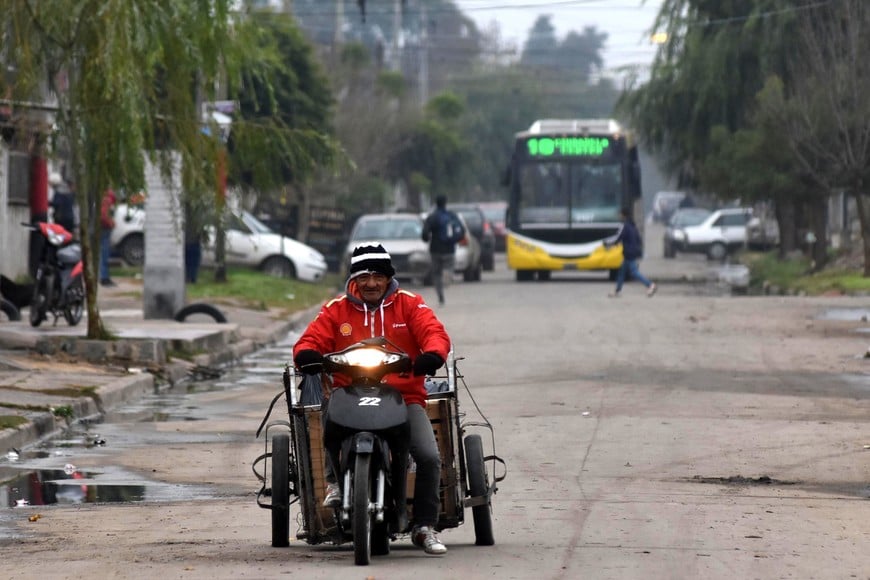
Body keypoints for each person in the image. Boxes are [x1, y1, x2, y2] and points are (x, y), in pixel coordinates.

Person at [293, 244, 451, 556]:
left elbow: (434, 332)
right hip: (349, 393)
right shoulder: (336, 309)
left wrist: (432, 354)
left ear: (388, 278)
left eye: (377, 276)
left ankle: (424, 526)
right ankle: (335, 483)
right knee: (329, 411)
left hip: (403, 397)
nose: (370, 283)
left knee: (429, 456)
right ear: (354, 279)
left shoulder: (410, 305)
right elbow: (310, 339)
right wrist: (307, 354)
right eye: (363, 276)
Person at [421, 194, 465, 306]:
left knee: (436, 273)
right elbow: (462, 230)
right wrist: (455, 240)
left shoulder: (432, 217)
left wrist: (427, 239)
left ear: (436, 203)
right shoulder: (451, 216)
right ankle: (447, 276)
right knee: (449, 267)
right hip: (449, 249)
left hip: (435, 249)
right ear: (446, 203)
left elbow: (425, 233)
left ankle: (440, 296)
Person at [606, 206, 657, 298]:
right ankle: (617, 291)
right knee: (621, 272)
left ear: (623, 215)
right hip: (632, 251)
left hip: (629, 252)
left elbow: (619, 237)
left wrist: (610, 245)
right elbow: (638, 239)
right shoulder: (632, 225)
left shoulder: (625, 226)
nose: (619, 216)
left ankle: (650, 285)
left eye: (619, 214)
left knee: (634, 272)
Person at [99, 189, 117, 287]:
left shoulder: (103, 199)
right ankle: (104, 277)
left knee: (103, 253)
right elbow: (103, 216)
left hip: (102, 228)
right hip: (105, 229)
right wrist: (111, 223)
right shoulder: (107, 200)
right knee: (104, 254)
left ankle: (103, 276)